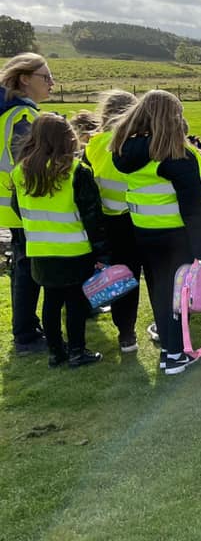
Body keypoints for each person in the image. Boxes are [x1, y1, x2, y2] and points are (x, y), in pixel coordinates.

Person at [111, 90, 201, 375]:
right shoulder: (175, 156)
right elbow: (194, 207)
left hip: (144, 233)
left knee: (160, 291)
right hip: (175, 236)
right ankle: (174, 355)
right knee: (178, 296)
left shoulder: (124, 151)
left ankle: (170, 348)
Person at [10, 114, 107, 367]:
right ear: (68, 139)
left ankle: (56, 351)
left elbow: (18, 209)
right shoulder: (76, 171)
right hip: (75, 248)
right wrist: (100, 252)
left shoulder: (20, 172)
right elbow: (92, 215)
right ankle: (77, 350)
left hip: (40, 249)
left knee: (50, 302)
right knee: (75, 303)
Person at [0, 52, 54, 354]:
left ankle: (27, 328)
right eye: (45, 77)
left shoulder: (10, 113)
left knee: (24, 266)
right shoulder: (22, 117)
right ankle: (26, 335)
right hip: (22, 205)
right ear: (24, 79)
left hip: (12, 204)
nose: (52, 84)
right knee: (27, 269)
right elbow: (32, 165)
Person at [81, 89, 141, 351]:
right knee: (151, 273)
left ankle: (126, 333)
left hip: (107, 222)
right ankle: (165, 327)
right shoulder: (136, 144)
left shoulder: (92, 147)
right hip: (137, 217)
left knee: (121, 277)